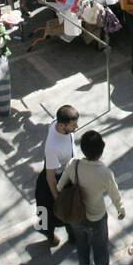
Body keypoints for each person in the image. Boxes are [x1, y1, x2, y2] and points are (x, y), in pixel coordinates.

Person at [57, 129, 125, 265]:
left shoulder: (73, 164)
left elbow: (59, 187)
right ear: (101, 151)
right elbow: (114, 194)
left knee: (82, 249)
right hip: (97, 219)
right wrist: (120, 209)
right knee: (100, 251)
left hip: (76, 216)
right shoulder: (105, 173)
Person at [34, 105, 79, 247]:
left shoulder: (57, 122)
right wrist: (58, 198)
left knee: (71, 211)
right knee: (48, 213)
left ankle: (74, 237)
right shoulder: (53, 148)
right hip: (55, 179)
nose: (77, 127)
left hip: (67, 174)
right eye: (73, 125)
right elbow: (50, 178)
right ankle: (49, 235)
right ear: (62, 125)